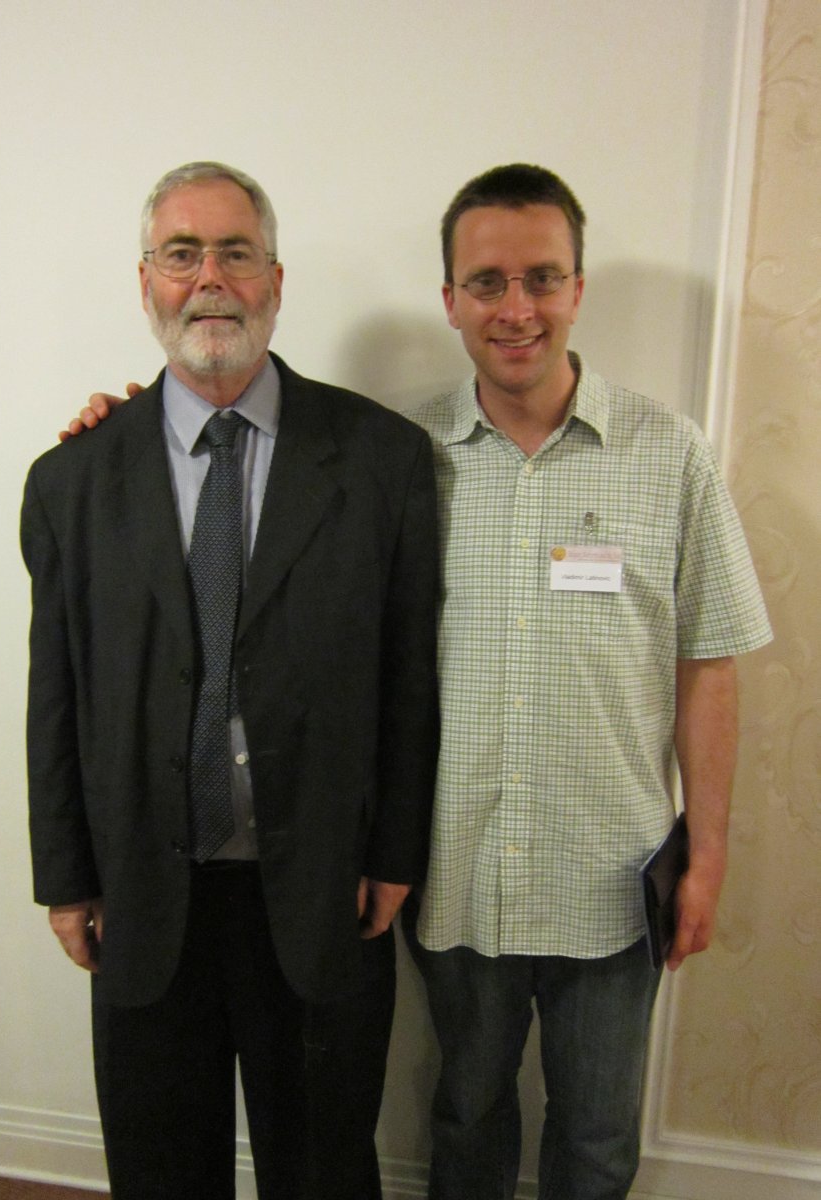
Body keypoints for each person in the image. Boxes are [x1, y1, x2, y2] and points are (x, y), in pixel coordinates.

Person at [21, 160, 439, 1200]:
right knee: (160, 1172)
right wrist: (64, 874)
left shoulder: (381, 458)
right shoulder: (72, 480)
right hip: (143, 895)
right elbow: (56, 694)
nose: (209, 278)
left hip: (324, 892)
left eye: (236, 253)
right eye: (182, 254)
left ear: (276, 280)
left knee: (323, 1171)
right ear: (146, 282)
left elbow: (406, 674)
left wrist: (395, 853)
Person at [399, 164, 772, 1200]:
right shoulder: (400, 459)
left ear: (577, 288)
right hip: (457, 865)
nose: (516, 308)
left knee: (599, 1138)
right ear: (450, 299)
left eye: (542, 278)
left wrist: (708, 856)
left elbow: (709, 664)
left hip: (612, 874)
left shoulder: (670, 454)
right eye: (487, 282)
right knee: (466, 1115)